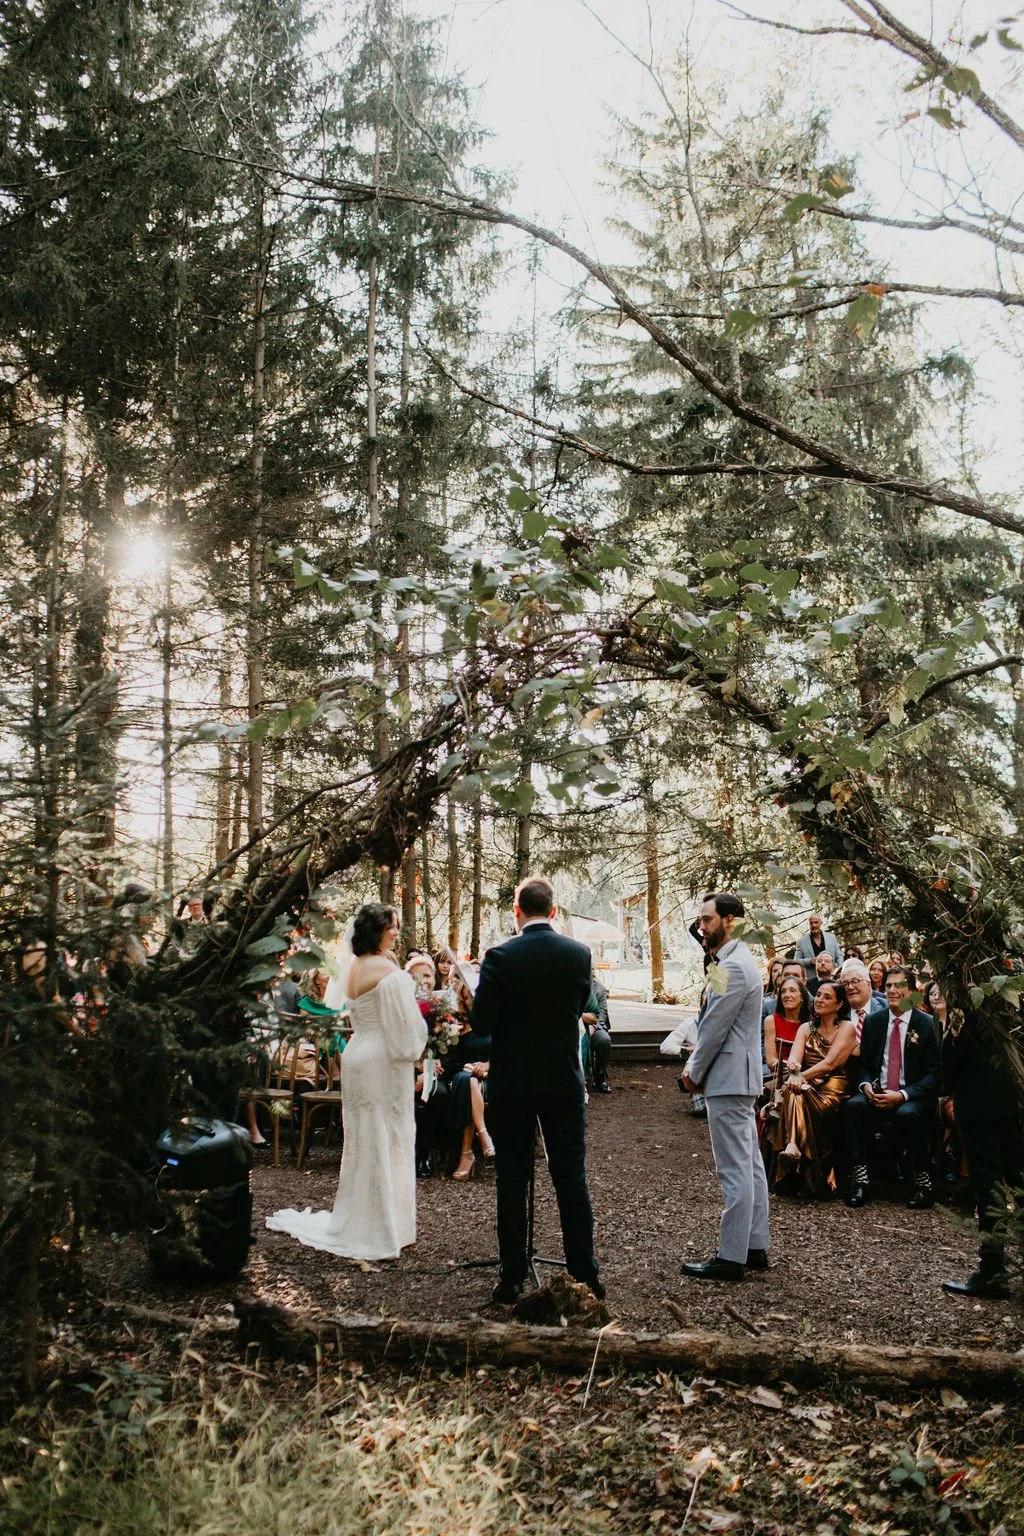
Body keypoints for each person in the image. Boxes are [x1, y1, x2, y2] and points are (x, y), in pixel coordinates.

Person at [266, 903, 426, 1260]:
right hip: (382, 1061)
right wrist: (424, 1042)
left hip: (357, 1055)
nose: (397, 932)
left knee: (364, 1142)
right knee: (387, 1137)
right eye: (392, 927)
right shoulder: (387, 968)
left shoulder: (353, 967)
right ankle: (384, 1228)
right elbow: (406, 1031)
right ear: (376, 931)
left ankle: (365, 1220)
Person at [470, 876, 603, 1304]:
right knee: (570, 1176)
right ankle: (585, 1274)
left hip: (512, 1081)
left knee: (512, 1178)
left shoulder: (500, 956)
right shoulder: (577, 954)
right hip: (562, 1079)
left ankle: (511, 1278)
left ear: (516, 910)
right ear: (554, 911)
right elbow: (578, 1004)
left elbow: (483, 1022)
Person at [680, 892, 770, 1282]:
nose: (701, 927)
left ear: (730, 920)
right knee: (749, 1165)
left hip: (730, 1077)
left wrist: (692, 1072)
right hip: (739, 1076)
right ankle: (753, 1246)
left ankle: (731, 1256)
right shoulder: (731, 963)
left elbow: (714, 1027)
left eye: (707, 920)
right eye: (700, 920)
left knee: (734, 1168)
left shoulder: (734, 967)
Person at [941, 1010, 1024, 1299]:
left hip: (980, 1106)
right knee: (1019, 1178)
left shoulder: (968, 1011)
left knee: (988, 1187)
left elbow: (949, 1070)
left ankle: (992, 1272)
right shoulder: (1014, 1006)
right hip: (1015, 1101)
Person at [843, 965, 939, 1209]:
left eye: (899, 985)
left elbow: (934, 1075)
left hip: (913, 1095)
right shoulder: (875, 1022)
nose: (892, 990)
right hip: (878, 1093)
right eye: (888, 986)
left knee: (908, 1114)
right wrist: (866, 1087)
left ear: (912, 991)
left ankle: (923, 1181)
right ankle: (861, 1179)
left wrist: (903, 1095)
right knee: (854, 1106)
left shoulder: (927, 1024)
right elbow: (863, 1066)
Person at [773, 980, 855, 1195]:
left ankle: (793, 1151)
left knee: (795, 1091)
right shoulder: (805, 1028)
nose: (819, 999)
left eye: (827, 997)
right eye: (818, 994)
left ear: (839, 1005)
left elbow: (830, 1064)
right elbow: (794, 1059)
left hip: (834, 1089)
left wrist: (799, 1078)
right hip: (805, 1087)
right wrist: (794, 1072)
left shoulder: (846, 1028)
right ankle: (793, 1147)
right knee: (797, 1094)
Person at [838, 960, 886, 1055]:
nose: (850, 987)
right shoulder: (838, 1013)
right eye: (845, 984)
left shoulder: (886, 1007)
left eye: (855, 981)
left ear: (868, 984)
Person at [764, 974, 810, 1073]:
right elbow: (771, 1060)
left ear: (802, 996)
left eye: (792, 991)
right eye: (783, 991)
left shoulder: (810, 1022)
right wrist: (793, 1069)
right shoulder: (771, 1020)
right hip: (780, 1076)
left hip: (808, 1076)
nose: (787, 995)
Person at [581, 971, 612, 1093]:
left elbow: (602, 1013)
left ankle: (600, 1077)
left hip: (594, 1026)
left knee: (603, 1040)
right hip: (576, 1026)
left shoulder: (599, 989)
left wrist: (593, 1027)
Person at [793, 914, 843, 983]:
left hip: (832, 978)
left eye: (816, 922)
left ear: (821, 923)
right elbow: (796, 961)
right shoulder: (801, 942)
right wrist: (809, 961)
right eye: (811, 923)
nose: (813, 925)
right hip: (812, 981)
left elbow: (839, 956)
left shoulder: (831, 938)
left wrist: (840, 970)